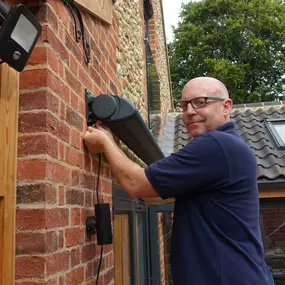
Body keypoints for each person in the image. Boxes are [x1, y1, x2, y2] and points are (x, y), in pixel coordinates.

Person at [83, 77, 275, 285]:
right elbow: (154, 198)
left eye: (201, 102)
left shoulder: (216, 145)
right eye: (184, 105)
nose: (189, 111)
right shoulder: (229, 148)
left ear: (226, 106)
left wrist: (106, 143)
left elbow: (137, 185)